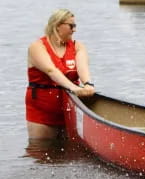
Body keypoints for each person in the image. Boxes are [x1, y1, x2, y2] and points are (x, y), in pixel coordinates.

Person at [26, 8, 95, 141]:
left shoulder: (78, 46)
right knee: (40, 151)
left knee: (70, 153)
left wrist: (87, 84)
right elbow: (51, 71)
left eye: (75, 26)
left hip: (71, 110)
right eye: (71, 26)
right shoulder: (37, 47)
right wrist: (74, 88)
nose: (74, 30)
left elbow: (83, 68)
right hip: (42, 111)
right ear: (58, 26)